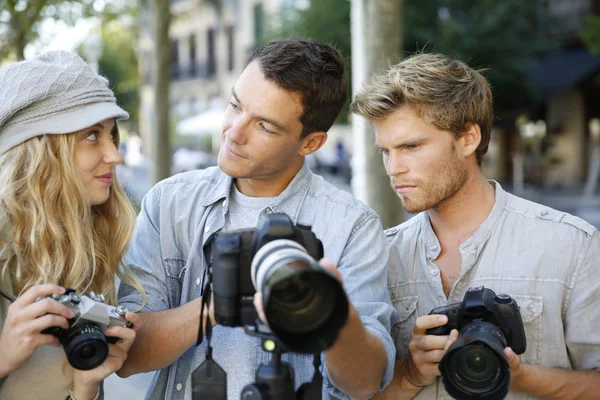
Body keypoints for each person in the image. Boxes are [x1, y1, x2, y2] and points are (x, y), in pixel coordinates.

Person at [116, 37, 396, 400]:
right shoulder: (170, 203)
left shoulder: (352, 226)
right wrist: (218, 305)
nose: (234, 132)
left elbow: (365, 384)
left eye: (264, 126)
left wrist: (331, 314)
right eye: (235, 105)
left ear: (311, 143)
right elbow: (127, 356)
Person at [351, 52, 600, 399]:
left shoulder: (572, 246)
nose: (394, 168)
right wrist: (409, 373)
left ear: (468, 138)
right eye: (385, 151)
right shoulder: (379, 255)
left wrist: (521, 375)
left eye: (411, 146)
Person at [0, 51, 144, 400]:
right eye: (92, 135)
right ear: (40, 149)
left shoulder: (89, 243)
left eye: (112, 135)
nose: (115, 155)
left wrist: (86, 386)